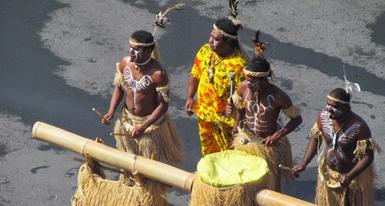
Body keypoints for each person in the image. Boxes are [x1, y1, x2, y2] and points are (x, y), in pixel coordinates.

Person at [231, 31, 302, 191]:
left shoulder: (278, 96)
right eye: (247, 80)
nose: (248, 84)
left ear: (263, 79)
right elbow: (239, 104)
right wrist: (237, 123)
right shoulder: (243, 87)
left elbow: (297, 119)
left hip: (267, 145)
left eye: (252, 82)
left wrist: (278, 135)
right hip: (247, 140)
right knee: (246, 182)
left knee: (270, 184)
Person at [293, 88, 377, 206]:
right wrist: (304, 163)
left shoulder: (359, 126)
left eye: (334, 106)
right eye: (328, 105)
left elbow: (368, 156)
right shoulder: (322, 118)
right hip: (330, 175)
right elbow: (315, 139)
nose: (329, 109)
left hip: (352, 178)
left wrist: (349, 176)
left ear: (345, 107)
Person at [102, 30, 182, 167]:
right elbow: (119, 88)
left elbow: (163, 106)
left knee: (148, 168)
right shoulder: (124, 63)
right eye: (130, 47)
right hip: (127, 121)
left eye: (136, 49)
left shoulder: (158, 74)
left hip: (149, 126)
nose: (131, 52)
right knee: (128, 166)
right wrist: (111, 111)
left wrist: (143, 126)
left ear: (147, 51)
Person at [184, 14, 247, 156]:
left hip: (225, 121)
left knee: (227, 156)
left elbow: (244, 99)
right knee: (208, 153)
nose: (210, 40)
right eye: (211, 36)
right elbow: (195, 74)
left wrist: (238, 122)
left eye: (215, 39)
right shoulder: (205, 50)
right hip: (204, 114)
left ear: (228, 43)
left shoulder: (238, 65)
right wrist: (189, 97)